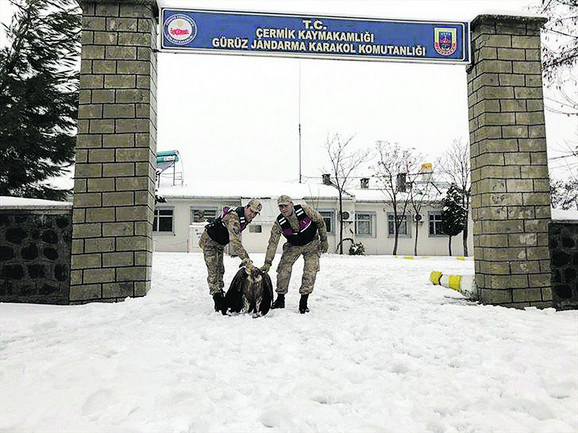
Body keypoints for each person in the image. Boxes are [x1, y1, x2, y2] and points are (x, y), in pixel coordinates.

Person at [260, 195, 328, 313]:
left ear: (291, 204)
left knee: (310, 271)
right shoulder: (279, 222)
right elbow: (273, 242)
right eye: (280, 207)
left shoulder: (305, 210)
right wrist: (267, 262)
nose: (283, 209)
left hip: (312, 243)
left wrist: (324, 239)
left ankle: (303, 302)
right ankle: (280, 299)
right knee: (283, 269)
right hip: (293, 245)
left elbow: (320, 221)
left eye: (285, 206)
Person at [199, 199, 262, 312]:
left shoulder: (244, 218)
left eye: (255, 213)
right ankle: (217, 300)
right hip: (209, 241)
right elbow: (235, 242)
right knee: (213, 270)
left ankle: (220, 292)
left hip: (219, 243)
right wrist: (246, 259)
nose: (252, 215)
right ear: (246, 207)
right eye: (251, 211)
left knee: (220, 269)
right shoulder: (234, 218)